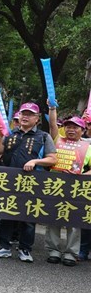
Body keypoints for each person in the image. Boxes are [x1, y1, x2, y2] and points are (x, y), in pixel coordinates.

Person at [0, 102, 57, 262]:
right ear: (18, 116)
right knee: (6, 214)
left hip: (32, 183)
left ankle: (25, 249)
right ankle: (4, 247)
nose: (25, 117)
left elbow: (53, 159)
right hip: (9, 182)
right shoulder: (10, 134)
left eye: (30, 114)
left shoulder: (43, 137)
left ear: (37, 119)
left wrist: (35, 161)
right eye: (23, 113)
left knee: (28, 217)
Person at [45, 112, 90, 266]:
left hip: (76, 188)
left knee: (74, 220)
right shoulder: (57, 140)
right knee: (53, 217)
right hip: (55, 185)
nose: (71, 130)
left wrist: (82, 175)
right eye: (68, 127)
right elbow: (52, 124)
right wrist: (52, 108)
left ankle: (71, 252)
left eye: (75, 127)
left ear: (83, 130)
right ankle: (54, 250)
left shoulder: (88, 147)